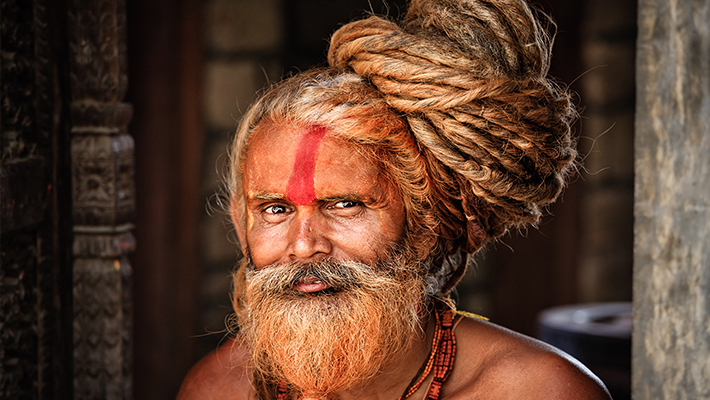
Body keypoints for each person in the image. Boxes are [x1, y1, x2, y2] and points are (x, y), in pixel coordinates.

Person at [178, 0, 612, 399]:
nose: (305, 243)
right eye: (275, 209)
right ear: (240, 223)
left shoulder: (538, 391)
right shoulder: (216, 389)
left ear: (423, 225)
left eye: (345, 205)